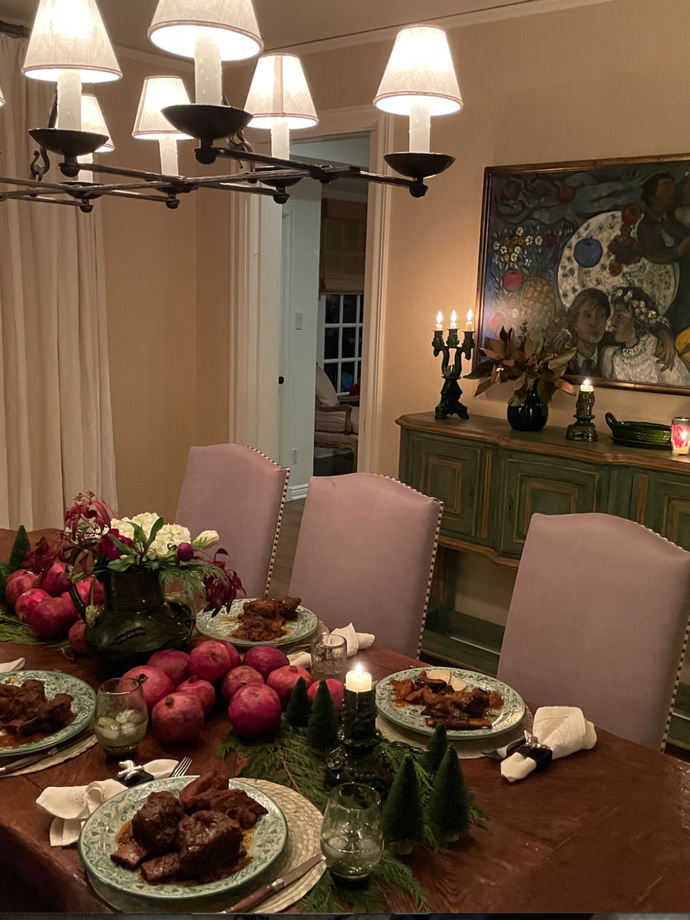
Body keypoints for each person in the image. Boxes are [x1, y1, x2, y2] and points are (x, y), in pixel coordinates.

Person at [600, 286, 690, 385]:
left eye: (620, 317)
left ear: (637, 320)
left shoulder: (659, 349)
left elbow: (682, 390)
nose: (613, 323)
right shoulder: (610, 357)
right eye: (614, 317)